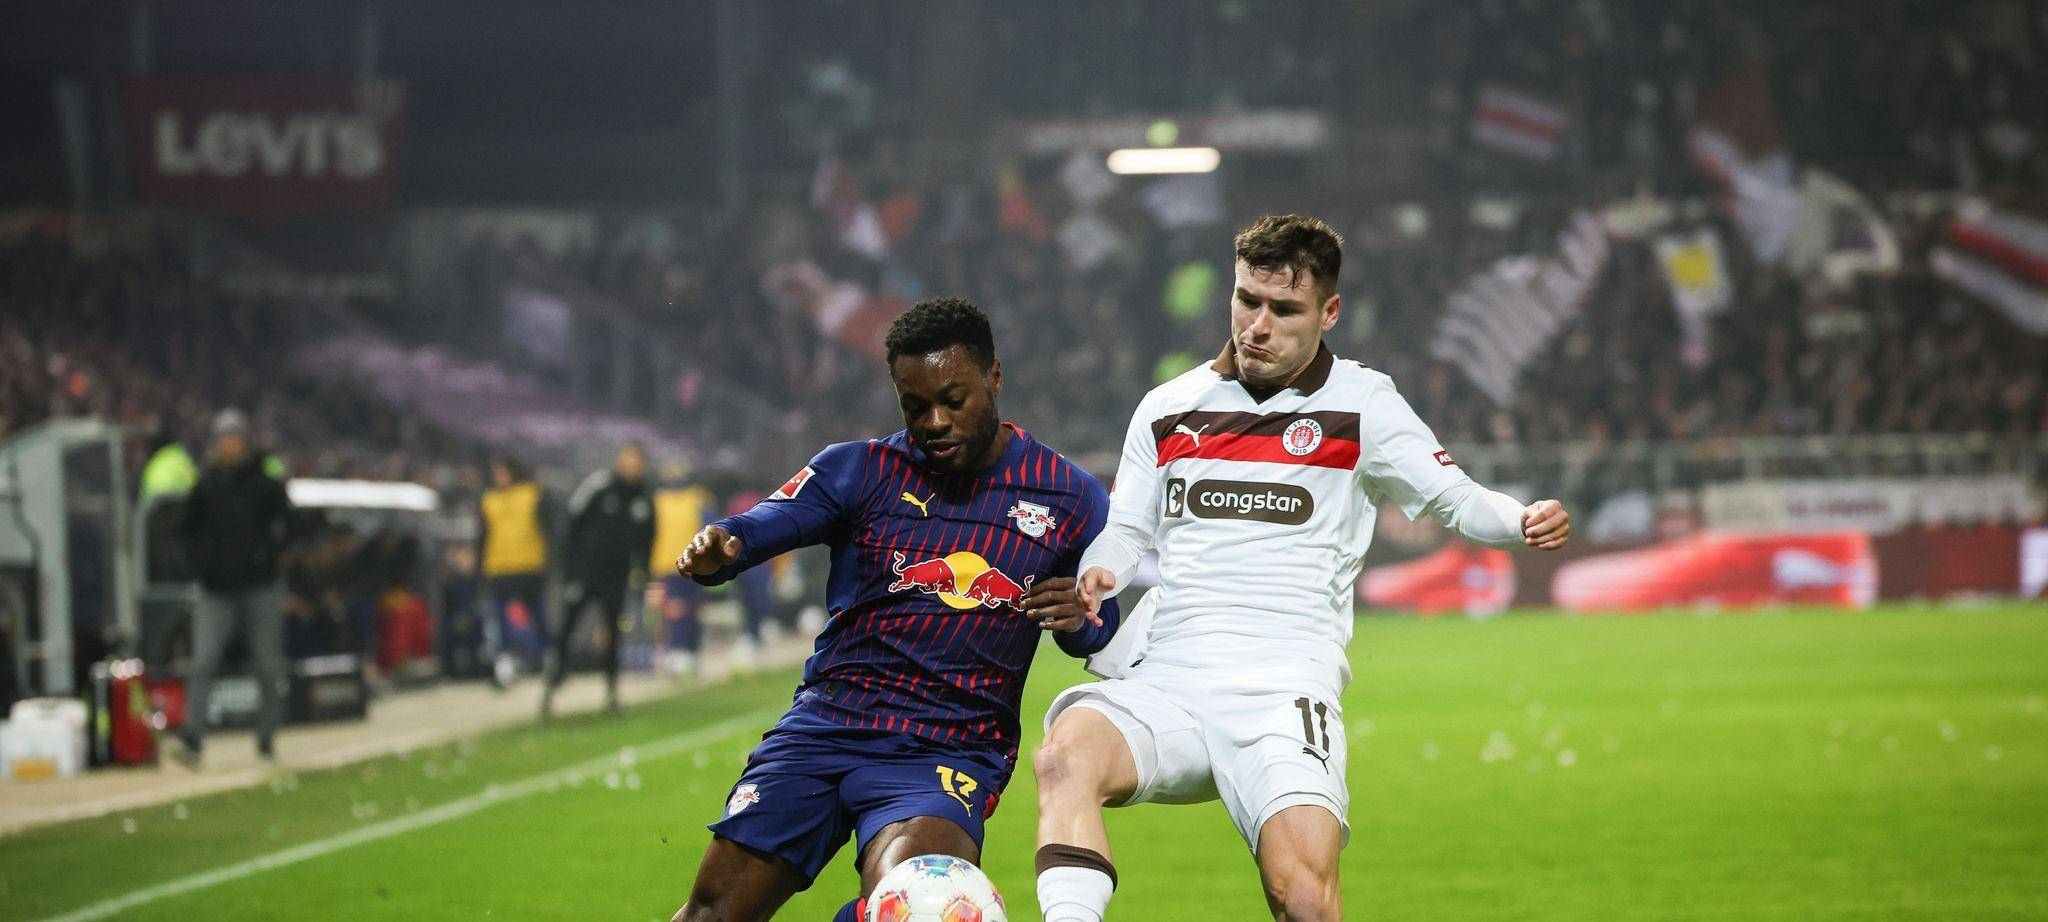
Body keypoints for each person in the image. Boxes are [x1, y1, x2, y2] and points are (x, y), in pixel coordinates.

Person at [1028, 216, 1573, 922]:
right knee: (1064, 758)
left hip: (1284, 691)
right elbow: (1127, 528)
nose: (1257, 324)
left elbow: (1452, 495)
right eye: (1246, 299)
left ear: (1328, 312)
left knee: (1305, 899)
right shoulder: (1169, 409)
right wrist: (1098, 572)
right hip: (1171, 679)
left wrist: (1519, 519)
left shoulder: (1363, 405)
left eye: (1283, 309)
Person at [669, 298, 1121, 922]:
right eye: (915, 407)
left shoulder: (1069, 495)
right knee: (710, 915)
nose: (933, 421)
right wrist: (725, 545)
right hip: (826, 727)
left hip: (947, 750)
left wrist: (1080, 615)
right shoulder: (860, 470)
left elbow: (1104, 627)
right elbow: (766, 524)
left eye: (952, 400)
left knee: (924, 910)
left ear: (994, 377)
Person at [175, 409, 297, 766]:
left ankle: (266, 737)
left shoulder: (264, 482)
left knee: (267, 665)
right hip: (216, 588)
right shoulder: (207, 483)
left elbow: (288, 523)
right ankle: (193, 738)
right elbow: (185, 529)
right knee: (203, 661)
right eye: (223, 439)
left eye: (233, 439)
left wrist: (271, 558)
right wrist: (201, 567)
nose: (228, 446)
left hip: (259, 586)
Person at [542, 443, 656, 718]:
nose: (632, 466)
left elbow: (648, 539)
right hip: (585, 574)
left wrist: (641, 572)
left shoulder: (643, 498)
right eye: (628, 460)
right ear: (620, 460)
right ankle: (550, 688)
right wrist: (569, 570)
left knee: (612, 634)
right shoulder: (599, 486)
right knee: (566, 628)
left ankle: (611, 692)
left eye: (637, 461)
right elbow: (571, 523)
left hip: (616, 577)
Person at [477, 457, 554, 684]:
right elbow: (483, 535)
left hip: (529, 566)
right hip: (499, 567)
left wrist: (548, 562)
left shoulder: (532, 495)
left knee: (537, 614)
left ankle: (548, 656)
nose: (499, 477)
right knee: (500, 618)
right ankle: (506, 661)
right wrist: (480, 565)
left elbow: (548, 530)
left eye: (502, 472)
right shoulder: (489, 500)